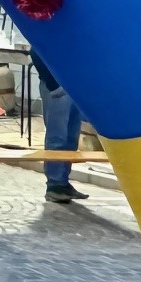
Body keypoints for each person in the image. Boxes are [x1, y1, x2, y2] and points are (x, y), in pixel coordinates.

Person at [31, 48, 88, 204]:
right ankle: (54, 185)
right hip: (57, 87)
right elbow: (36, 52)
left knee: (71, 137)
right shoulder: (48, 28)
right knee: (57, 137)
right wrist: (53, 84)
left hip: (73, 84)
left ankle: (62, 182)